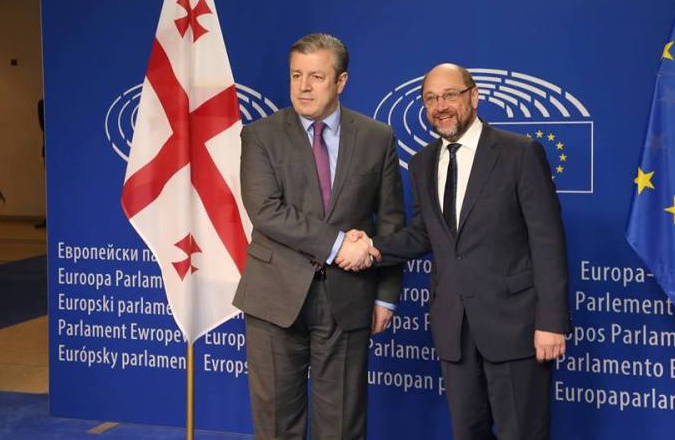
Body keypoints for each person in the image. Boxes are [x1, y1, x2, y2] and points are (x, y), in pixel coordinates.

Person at [341, 63, 570, 440]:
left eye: (450, 95)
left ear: (473, 96)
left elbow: (548, 243)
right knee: (467, 432)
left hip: (516, 327)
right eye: (430, 99)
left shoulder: (519, 153)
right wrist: (371, 247)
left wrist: (552, 322)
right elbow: (424, 234)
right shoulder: (422, 163)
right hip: (454, 330)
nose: (440, 106)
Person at [233, 33, 404, 440]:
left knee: (342, 426)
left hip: (348, 298)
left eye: (316, 76)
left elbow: (391, 222)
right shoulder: (260, 135)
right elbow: (266, 211)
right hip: (274, 298)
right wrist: (339, 244)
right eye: (296, 75)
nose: (303, 87)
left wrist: (385, 295)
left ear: (341, 82)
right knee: (277, 426)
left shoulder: (377, 137)